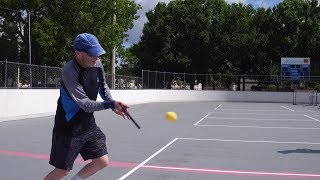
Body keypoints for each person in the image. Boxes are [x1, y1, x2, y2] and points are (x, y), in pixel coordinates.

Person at [44, 33, 129, 180]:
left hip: (87, 123)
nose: (96, 57)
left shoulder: (97, 63)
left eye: (97, 53)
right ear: (78, 53)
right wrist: (110, 104)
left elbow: (103, 86)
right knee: (62, 171)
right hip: (68, 126)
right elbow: (85, 104)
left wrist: (112, 103)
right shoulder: (69, 71)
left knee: (102, 161)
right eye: (92, 54)